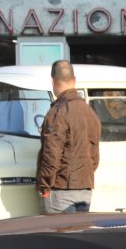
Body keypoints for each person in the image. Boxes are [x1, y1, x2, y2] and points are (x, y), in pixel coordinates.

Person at [37, 60, 101, 214]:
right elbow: (94, 156)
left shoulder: (57, 112)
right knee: (80, 230)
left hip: (61, 189)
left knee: (59, 230)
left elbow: (51, 155)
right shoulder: (90, 112)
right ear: (74, 80)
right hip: (85, 189)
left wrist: (44, 185)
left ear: (53, 81)